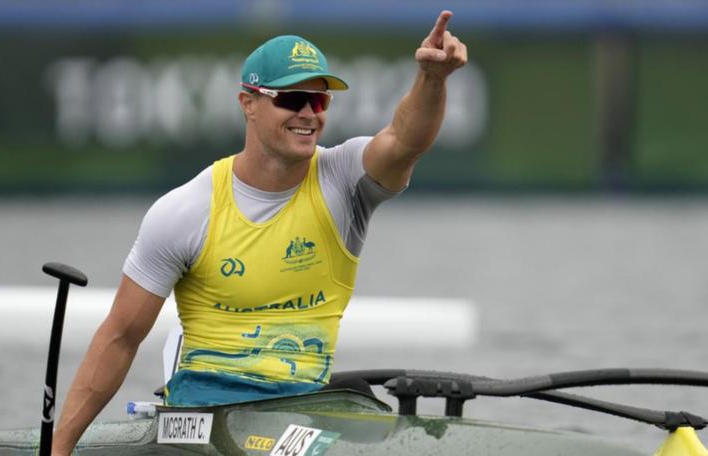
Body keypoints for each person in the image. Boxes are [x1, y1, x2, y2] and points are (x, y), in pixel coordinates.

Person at [52, 10, 467, 455]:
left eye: (319, 100)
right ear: (248, 103)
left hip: (302, 412)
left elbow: (405, 141)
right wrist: (57, 449)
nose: (308, 113)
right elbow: (120, 338)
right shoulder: (185, 211)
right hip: (202, 420)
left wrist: (432, 79)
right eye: (291, 100)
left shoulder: (344, 179)